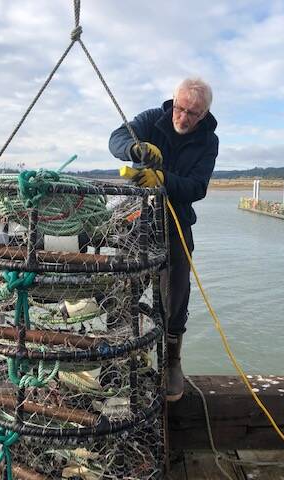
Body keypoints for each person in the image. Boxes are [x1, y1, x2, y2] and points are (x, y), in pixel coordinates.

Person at [109, 77, 218, 401]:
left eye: (192, 113)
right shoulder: (151, 119)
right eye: (180, 108)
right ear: (173, 101)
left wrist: (162, 179)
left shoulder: (208, 141)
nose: (183, 117)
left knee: (176, 297)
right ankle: (118, 358)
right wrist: (134, 148)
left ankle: (172, 362)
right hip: (136, 220)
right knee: (121, 290)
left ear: (204, 114)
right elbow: (115, 139)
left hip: (176, 224)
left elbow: (197, 187)